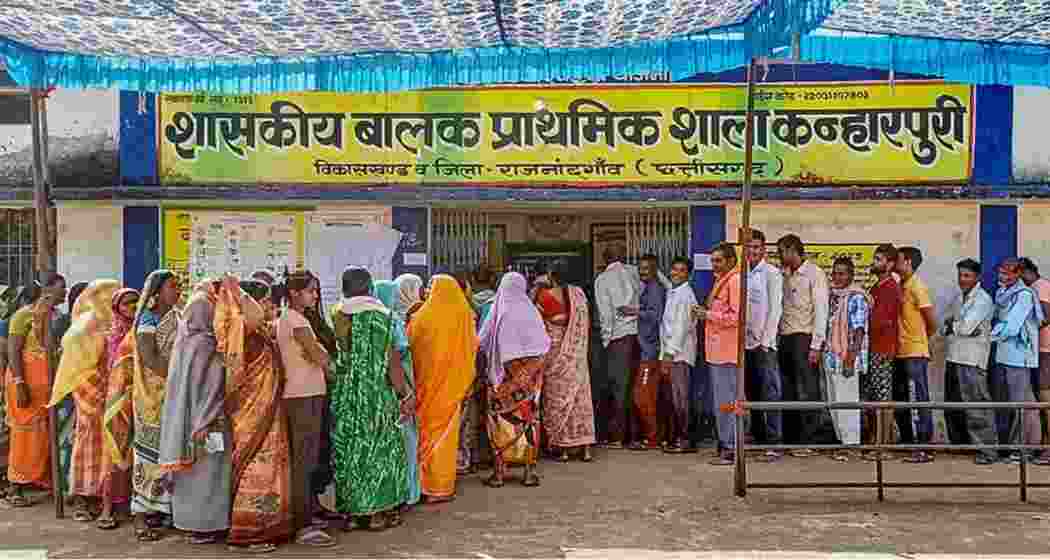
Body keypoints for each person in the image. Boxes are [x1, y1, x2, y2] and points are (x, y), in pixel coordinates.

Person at [159, 277, 240, 544]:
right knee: (209, 475)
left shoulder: (183, 345)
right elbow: (211, 387)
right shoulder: (207, 346)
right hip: (207, 422)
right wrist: (205, 421)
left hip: (184, 424)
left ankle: (189, 523)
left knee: (191, 476)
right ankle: (208, 526)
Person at [329, 268, 412, 531]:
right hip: (376, 395)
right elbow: (392, 362)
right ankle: (376, 513)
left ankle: (353, 513)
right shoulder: (382, 317)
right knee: (380, 451)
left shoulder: (337, 314)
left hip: (345, 393)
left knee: (350, 449)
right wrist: (405, 393)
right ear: (369, 288)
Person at [218, 280, 294, 552]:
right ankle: (249, 532)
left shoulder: (256, 332)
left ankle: (269, 525)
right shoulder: (246, 337)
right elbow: (239, 379)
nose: (269, 306)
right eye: (263, 302)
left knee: (268, 467)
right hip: (254, 415)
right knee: (255, 468)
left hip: (268, 413)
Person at [48, 280, 121, 523]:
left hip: (109, 388)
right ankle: (82, 496)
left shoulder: (112, 322)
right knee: (87, 440)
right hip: (89, 388)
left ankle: (102, 496)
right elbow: (78, 361)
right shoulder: (84, 326)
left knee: (108, 443)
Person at [276, 271, 335, 547]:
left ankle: (306, 515)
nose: (315, 295)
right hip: (302, 395)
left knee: (307, 458)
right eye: (311, 290)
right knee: (304, 460)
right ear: (295, 293)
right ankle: (302, 525)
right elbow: (319, 356)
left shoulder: (294, 319)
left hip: (307, 393)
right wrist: (331, 363)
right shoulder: (295, 320)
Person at [121, 270, 180, 541]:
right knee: (147, 456)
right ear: (157, 293)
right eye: (171, 287)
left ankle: (164, 510)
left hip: (174, 394)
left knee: (170, 454)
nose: (177, 290)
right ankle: (140, 519)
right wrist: (179, 376)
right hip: (152, 398)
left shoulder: (178, 317)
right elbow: (149, 358)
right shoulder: (147, 319)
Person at [408, 274, 477, 504]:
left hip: (427, 386)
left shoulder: (421, 317)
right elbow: (472, 349)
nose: (427, 290)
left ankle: (423, 485)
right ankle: (439, 486)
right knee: (446, 437)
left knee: (426, 434)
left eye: (430, 286)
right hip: (452, 386)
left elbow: (410, 349)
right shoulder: (466, 316)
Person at [480, 272, 551, 487]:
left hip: (502, 381)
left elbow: (482, 341)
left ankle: (500, 474)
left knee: (499, 423)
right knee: (528, 423)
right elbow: (544, 345)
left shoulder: (499, 311)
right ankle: (528, 473)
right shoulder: (532, 312)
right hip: (528, 383)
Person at [5, 280, 60, 507]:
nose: (64, 291)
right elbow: (13, 350)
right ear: (46, 291)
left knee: (43, 435)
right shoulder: (22, 316)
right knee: (23, 436)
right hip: (24, 384)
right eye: (61, 287)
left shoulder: (53, 317)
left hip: (44, 386)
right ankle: (14, 487)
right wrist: (19, 383)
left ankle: (39, 480)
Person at [535, 263, 596, 462]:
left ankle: (564, 449)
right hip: (577, 355)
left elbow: (537, 322)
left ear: (551, 276)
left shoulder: (545, 296)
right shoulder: (580, 295)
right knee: (580, 399)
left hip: (555, 355)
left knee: (558, 397)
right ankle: (586, 448)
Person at [941, 259, 998, 465]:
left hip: (972, 360)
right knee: (956, 405)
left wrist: (955, 326)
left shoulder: (982, 299)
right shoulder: (959, 298)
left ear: (977, 277)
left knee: (977, 406)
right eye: (960, 275)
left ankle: (988, 451)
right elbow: (946, 324)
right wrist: (957, 326)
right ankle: (966, 447)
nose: (962, 279)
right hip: (955, 356)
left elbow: (964, 327)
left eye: (967, 276)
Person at [776, 234, 830, 457]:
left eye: (782, 251)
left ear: (792, 250)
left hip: (805, 338)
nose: (780, 256)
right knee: (787, 390)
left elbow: (821, 311)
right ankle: (792, 438)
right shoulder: (783, 275)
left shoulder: (814, 274)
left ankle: (810, 439)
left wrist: (816, 345)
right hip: (785, 338)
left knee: (807, 390)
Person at [991, 258, 1045, 464]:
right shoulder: (1003, 293)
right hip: (1006, 354)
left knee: (1022, 404)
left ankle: (1023, 450)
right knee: (1025, 403)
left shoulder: (1023, 295)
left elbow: (1012, 326)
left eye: (1007, 273)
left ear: (1017, 274)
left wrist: (990, 336)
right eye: (1001, 272)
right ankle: (1027, 446)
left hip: (1019, 356)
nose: (1002, 277)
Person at [375, 279, 422, 508]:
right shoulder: (392, 322)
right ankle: (408, 492)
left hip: (378, 392)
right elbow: (398, 359)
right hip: (400, 386)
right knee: (406, 441)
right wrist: (407, 392)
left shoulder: (365, 322)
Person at [96, 288, 140, 530]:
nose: (132, 307)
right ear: (117, 308)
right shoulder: (112, 335)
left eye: (135, 302)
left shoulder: (144, 329)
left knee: (137, 451)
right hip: (117, 398)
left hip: (141, 395)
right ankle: (107, 507)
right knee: (115, 450)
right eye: (127, 304)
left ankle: (132, 505)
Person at [696, 243, 742, 466]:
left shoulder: (734, 281)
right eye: (712, 260)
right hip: (718, 351)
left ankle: (731, 448)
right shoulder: (722, 280)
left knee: (727, 402)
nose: (714, 264)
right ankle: (725, 444)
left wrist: (708, 315)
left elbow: (737, 318)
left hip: (727, 352)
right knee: (721, 401)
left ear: (731, 260)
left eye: (719, 260)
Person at [821, 258, 870, 461]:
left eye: (842, 273)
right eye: (835, 273)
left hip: (847, 358)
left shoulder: (856, 298)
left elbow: (858, 332)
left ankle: (852, 444)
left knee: (848, 402)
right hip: (832, 357)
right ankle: (843, 442)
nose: (837, 277)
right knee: (835, 402)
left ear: (851, 275)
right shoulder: (834, 297)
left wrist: (850, 359)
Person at [894, 246, 938, 464]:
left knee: (918, 399)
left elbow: (932, 322)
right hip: (901, 351)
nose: (895, 263)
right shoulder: (901, 285)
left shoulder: (917, 286)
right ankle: (911, 444)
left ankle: (924, 447)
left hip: (914, 352)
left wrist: (920, 340)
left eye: (898, 259)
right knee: (905, 399)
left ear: (908, 262)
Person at [594, 243, 640, 449]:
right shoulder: (634, 272)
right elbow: (665, 287)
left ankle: (618, 437)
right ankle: (634, 435)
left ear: (605, 260)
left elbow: (605, 314)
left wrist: (605, 340)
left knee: (617, 387)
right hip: (637, 336)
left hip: (617, 338)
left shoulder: (602, 279)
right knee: (632, 386)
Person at [743, 229, 783, 462]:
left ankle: (774, 442)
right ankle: (758, 437)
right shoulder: (742, 273)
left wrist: (766, 342)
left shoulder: (771, 273)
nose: (753, 251)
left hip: (765, 344)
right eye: (749, 247)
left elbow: (775, 309)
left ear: (763, 249)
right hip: (746, 343)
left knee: (771, 393)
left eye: (757, 247)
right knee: (753, 392)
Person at [619, 254, 663, 451]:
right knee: (645, 395)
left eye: (646, 268)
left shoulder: (655, 289)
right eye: (640, 268)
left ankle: (653, 438)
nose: (642, 272)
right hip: (647, 349)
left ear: (654, 269)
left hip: (651, 351)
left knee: (643, 396)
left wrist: (634, 312)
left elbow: (656, 316)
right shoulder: (649, 289)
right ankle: (651, 437)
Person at [658, 257, 699, 454]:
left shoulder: (685, 295)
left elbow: (681, 327)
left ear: (688, 275)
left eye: (681, 271)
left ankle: (686, 440)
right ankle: (680, 438)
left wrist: (669, 353)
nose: (675, 273)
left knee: (681, 398)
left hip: (679, 355)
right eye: (674, 269)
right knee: (676, 398)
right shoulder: (674, 291)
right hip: (675, 353)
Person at [864, 244, 900, 461]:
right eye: (875, 259)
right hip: (874, 347)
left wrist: (867, 309)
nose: (875, 263)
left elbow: (882, 321)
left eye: (879, 259)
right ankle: (876, 442)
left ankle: (884, 446)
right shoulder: (878, 287)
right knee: (875, 396)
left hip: (883, 348)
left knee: (883, 398)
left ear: (890, 264)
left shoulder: (889, 288)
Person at [1019, 257, 1050, 460]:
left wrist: (1025, 328)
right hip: (1041, 350)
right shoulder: (1039, 287)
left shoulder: (1040, 287)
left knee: (1046, 400)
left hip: (1046, 350)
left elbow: (1047, 315)